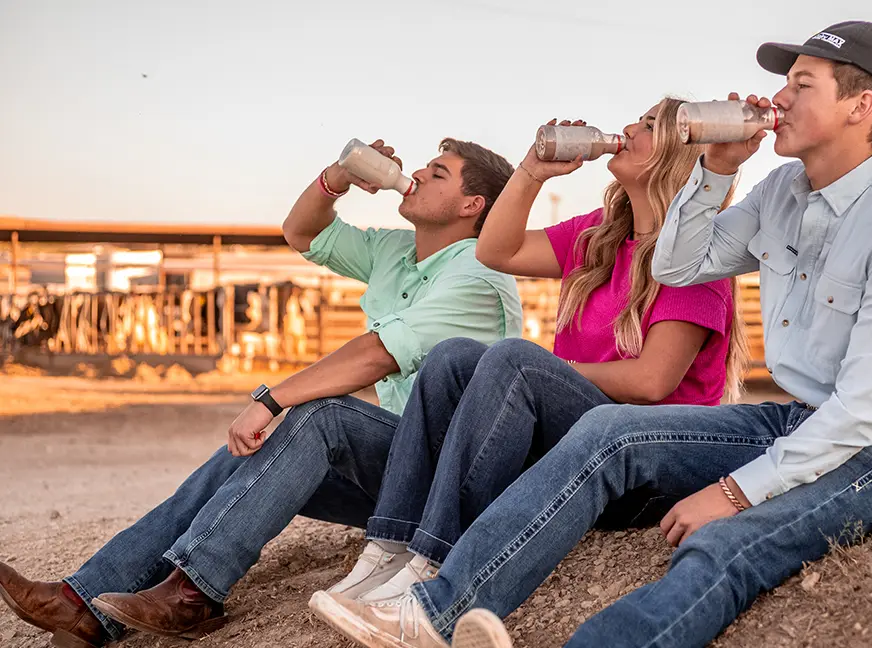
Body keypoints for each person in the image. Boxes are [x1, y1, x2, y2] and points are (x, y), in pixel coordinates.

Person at [304, 20, 872, 648]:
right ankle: (436, 610)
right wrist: (719, 171)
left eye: (802, 83)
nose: (779, 97)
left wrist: (735, 491)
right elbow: (681, 263)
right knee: (605, 431)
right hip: (800, 418)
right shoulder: (786, 191)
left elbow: (865, 411)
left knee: (722, 545)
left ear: (861, 107)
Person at [0, 138, 523, 647]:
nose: (419, 175)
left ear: (471, 204)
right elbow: (301, 232)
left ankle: (193, 593)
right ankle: (82, 604)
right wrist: (337, 178)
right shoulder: (396, 251)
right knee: (243, 457)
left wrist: (272, 397)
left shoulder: (480, 272)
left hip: (444, 479)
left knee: (324, 415)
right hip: (391, 471)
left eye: (438, 173)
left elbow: (378, 353)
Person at [308, 97, 749, 633]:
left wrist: (550, 375)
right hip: (578, 439)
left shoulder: (700, 255)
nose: (629, 126)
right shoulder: (600, 236)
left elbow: (652, 381)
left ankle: (434, 565)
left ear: (682, 151)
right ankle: (391, 550)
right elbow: (495, 251)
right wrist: (532, 172)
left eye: (651, 124)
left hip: (644, 465)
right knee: (451, 359)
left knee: (515, 360)